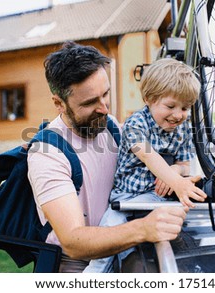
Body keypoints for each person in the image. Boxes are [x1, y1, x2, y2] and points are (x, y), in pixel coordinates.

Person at [27, 41, 188, 273]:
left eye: (106, 94)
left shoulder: (109, 125)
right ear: (59, 103)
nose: (104, 107)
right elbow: (74, 242)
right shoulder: (48, 154)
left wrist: (176, 172)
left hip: (122, 252)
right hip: (77, 266)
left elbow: (147, 157)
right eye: (91, 102)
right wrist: (143, 229)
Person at [84, 58, 207, 273]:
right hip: (125, 199)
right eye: (170, 106)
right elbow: (148, 156)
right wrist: (177, 182)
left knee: (158, 247)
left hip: (155, 199)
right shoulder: (136, 123)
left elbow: (185, 164)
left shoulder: (184, 128)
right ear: (149, 99)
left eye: (185, 108)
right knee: (106, 245)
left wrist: (174, 172)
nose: (178, 115)